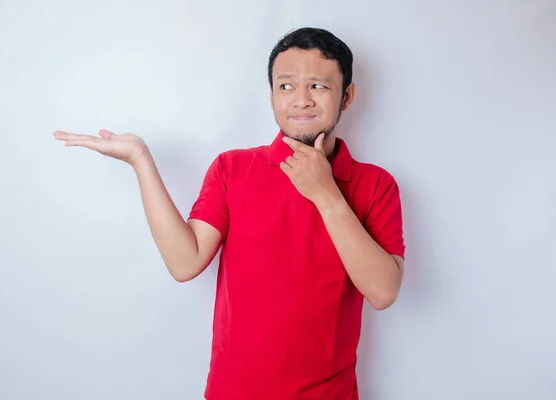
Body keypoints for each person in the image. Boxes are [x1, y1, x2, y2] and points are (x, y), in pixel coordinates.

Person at [54, 27, 405, 400]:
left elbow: (383, 291)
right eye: (286, 86)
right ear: (271, 96)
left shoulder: (375, 184)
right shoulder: (232, 169)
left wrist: (326, 194)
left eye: (318, 86)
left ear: (346, 96)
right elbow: (184, 261)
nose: (301, 100)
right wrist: (141, 159)